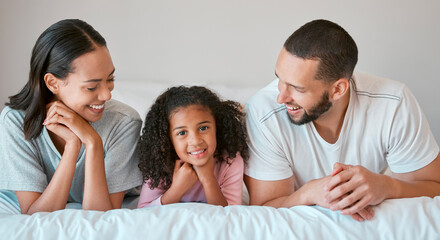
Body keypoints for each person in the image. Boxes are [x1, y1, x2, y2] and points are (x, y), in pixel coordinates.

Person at [244, 19, 440, 221]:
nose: (281, 97)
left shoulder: (393, 103)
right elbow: (263, 211)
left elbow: (435, 187)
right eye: (280, 79)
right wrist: (309, 192)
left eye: (297, 88)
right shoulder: (263, 112)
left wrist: (386, 186)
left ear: (338, 89)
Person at [0, 19, 143, 214]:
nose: (106, 95)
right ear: (53, 83)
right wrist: (72, 147)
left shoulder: (124, 122)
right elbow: (34, 214)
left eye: (110, 79)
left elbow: (101, 215)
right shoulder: (16, 121)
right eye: (92, 87)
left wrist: (92, 142)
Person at [137, 86, 248, 207]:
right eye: (182, 133)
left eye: (203, 128)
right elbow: (143, 211)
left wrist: (208, 178)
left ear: (217, 127)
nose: (195, 141)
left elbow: (231, 214)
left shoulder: (230, 159)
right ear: (168, 139)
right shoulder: (159, 162)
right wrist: (177, 189)